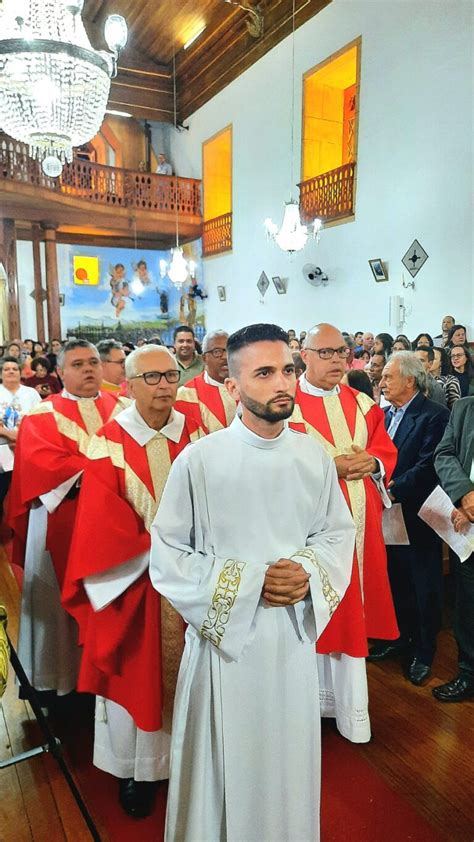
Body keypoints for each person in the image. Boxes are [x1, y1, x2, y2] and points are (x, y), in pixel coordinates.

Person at [150, 323, 369, 842]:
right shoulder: (200, 462)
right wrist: (250, 584)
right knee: (223, 767)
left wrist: (310, 572)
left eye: (289, 370)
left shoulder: (312, 455)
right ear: (233, 386)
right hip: (224, 647)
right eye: (265, 372)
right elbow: (168, 556)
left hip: (290, 641)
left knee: (287, 759)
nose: (283, 383)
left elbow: (336, 535)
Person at [63, 346, 204, 817]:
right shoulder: (109, 440)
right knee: (137, 673)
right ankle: (138, 770)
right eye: (152, 377)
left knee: (196, 676)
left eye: (171, 375)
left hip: (198, 580)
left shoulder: (201, 431)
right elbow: (100, 525)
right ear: (128, 384)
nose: (165, 385)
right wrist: (159, 551)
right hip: (139, 585)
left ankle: (194, 763)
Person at [8, 340, 127, 696]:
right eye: (78, 364)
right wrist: (104, 472)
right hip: (63, 518)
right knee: (57, 603)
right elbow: (42, 467)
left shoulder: (122, 407)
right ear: (60, 372)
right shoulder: (42, 415)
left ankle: (109, 674)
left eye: (93, 362)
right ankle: (59, 680)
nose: (89, 369)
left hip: (117, 523)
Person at [291, 324, 398, 646]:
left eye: (342, 352)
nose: (336, 360)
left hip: (362, 525)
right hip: (309, 526)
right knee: (312, 621)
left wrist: (374, 463)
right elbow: (268, 463)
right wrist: (328, 468)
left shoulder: (364, 404)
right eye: (325, 353)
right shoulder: (283, 406)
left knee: (358, 605)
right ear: (305, 356)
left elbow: (384, 450)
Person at [369, 352, 449, 684]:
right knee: (396, 576)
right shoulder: (384, 415)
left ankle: (424, 649)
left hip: (416, 511)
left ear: (410, 380)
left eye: (388, 377)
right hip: (388, 511)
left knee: (423, 582)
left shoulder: (434, 415)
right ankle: (399, 638)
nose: (382, 382)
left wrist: (391, 488)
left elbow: (430, 464)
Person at [433, 397, 474, 701]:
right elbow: (444, 454)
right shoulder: (464, 408)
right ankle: (469, 674)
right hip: (469, 526)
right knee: (467, 604)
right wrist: (464, 495)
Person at [0, 357, 41, 516]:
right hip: (2, 449)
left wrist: (22, 437)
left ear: (20, 373)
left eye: (14, 369)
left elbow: (41, 419)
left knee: (27, 494)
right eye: (6, 369)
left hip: (27, 450)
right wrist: (10, 435)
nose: (11, 371)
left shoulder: (30, 393)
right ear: (1, 373)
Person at [175, 330, 236, 433]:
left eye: (229, 350)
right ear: (204, 358)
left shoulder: (249, 389)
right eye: (217, 352)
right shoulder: (185, 395)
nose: (225, 357)